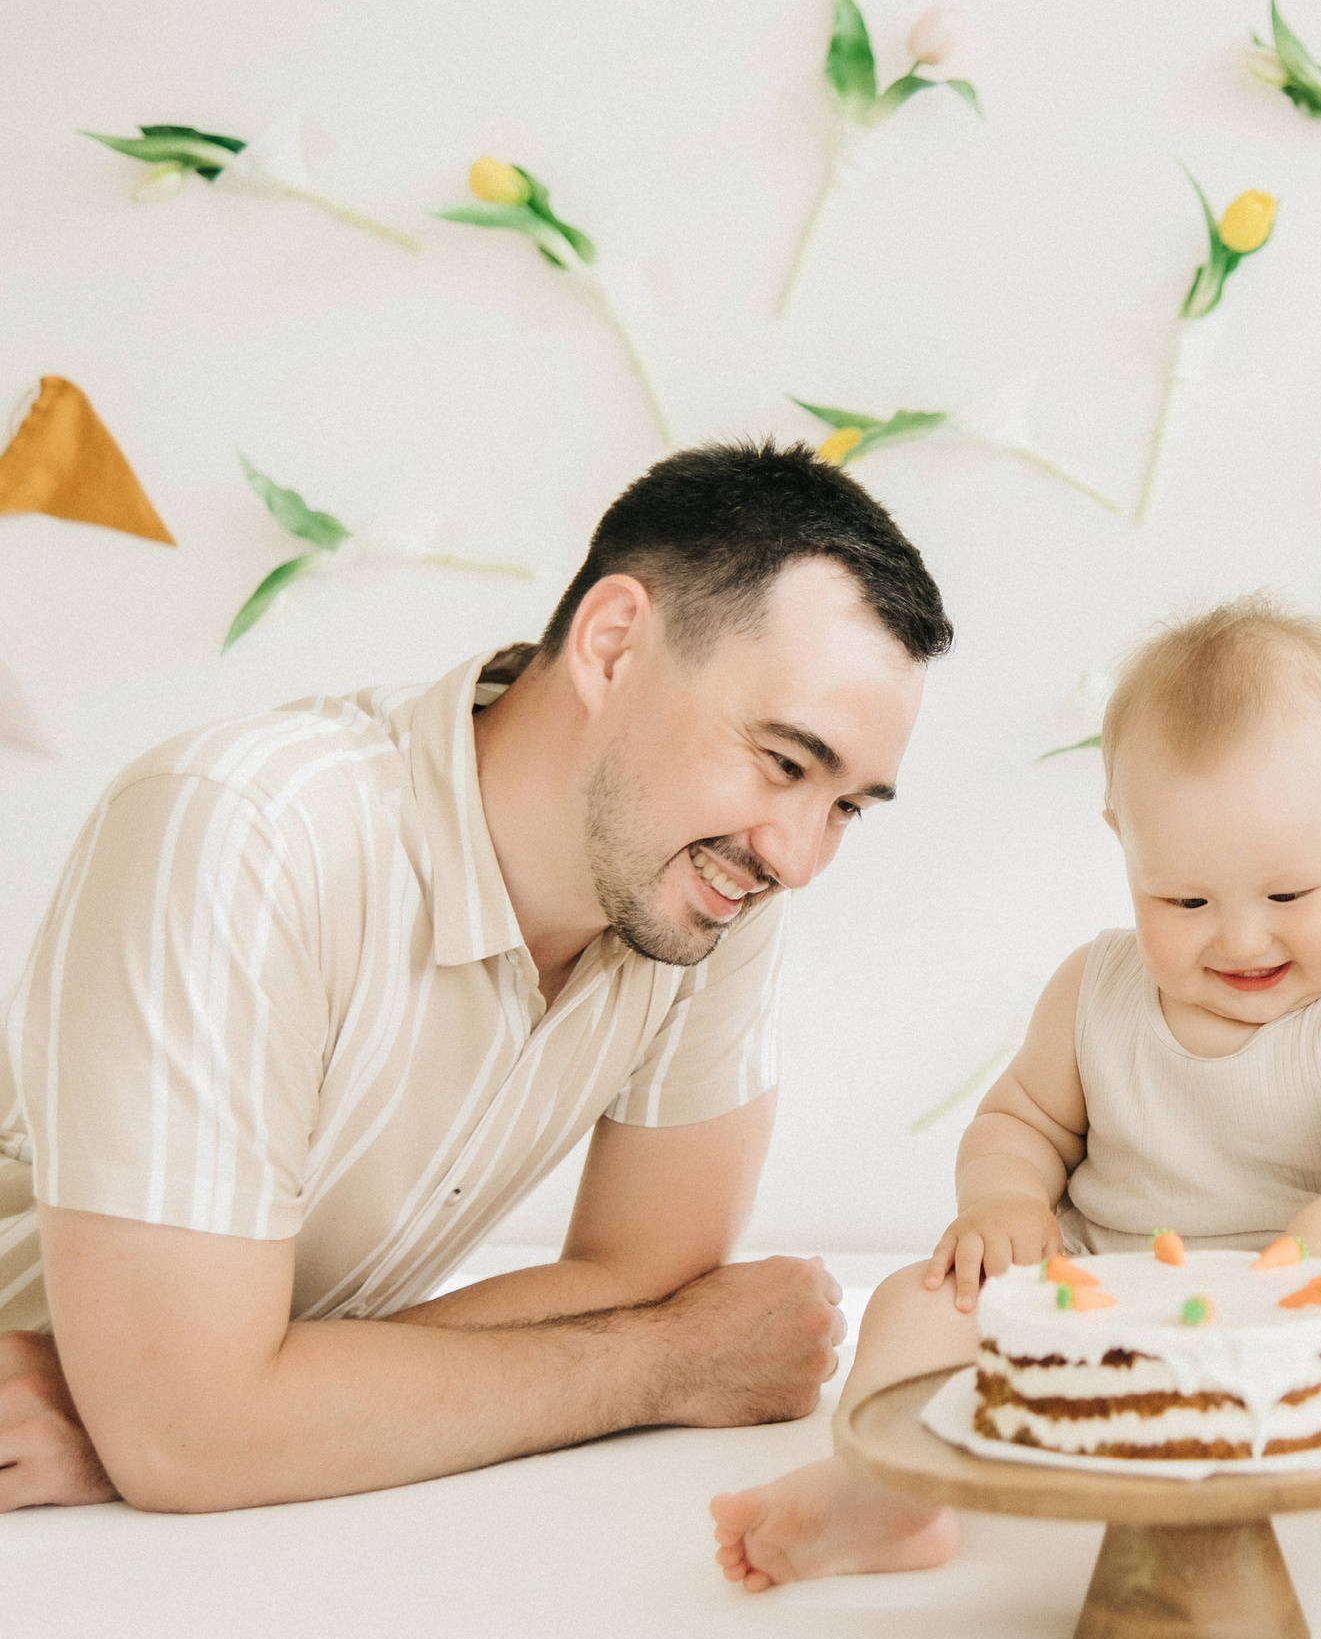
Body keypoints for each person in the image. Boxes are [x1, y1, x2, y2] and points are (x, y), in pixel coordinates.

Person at [0, 441, 949, 1513]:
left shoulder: (706, 892)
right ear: (612, 645)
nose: (800, 858)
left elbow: (645, 1280)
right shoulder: (247, 829)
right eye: (783, 763)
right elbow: (188, 1439)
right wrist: (673, 1362)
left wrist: (233, 1411)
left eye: (846, 806)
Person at [711, 597, 1321, 1587]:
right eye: (1185, 900)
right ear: (1125, 844)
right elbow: (1020, 1121)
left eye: (1289, 895)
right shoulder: (1093, 989)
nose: (1242, 938)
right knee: (920, 1301)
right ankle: (886, 1491)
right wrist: (1006, 1204)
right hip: (1103, 1305)